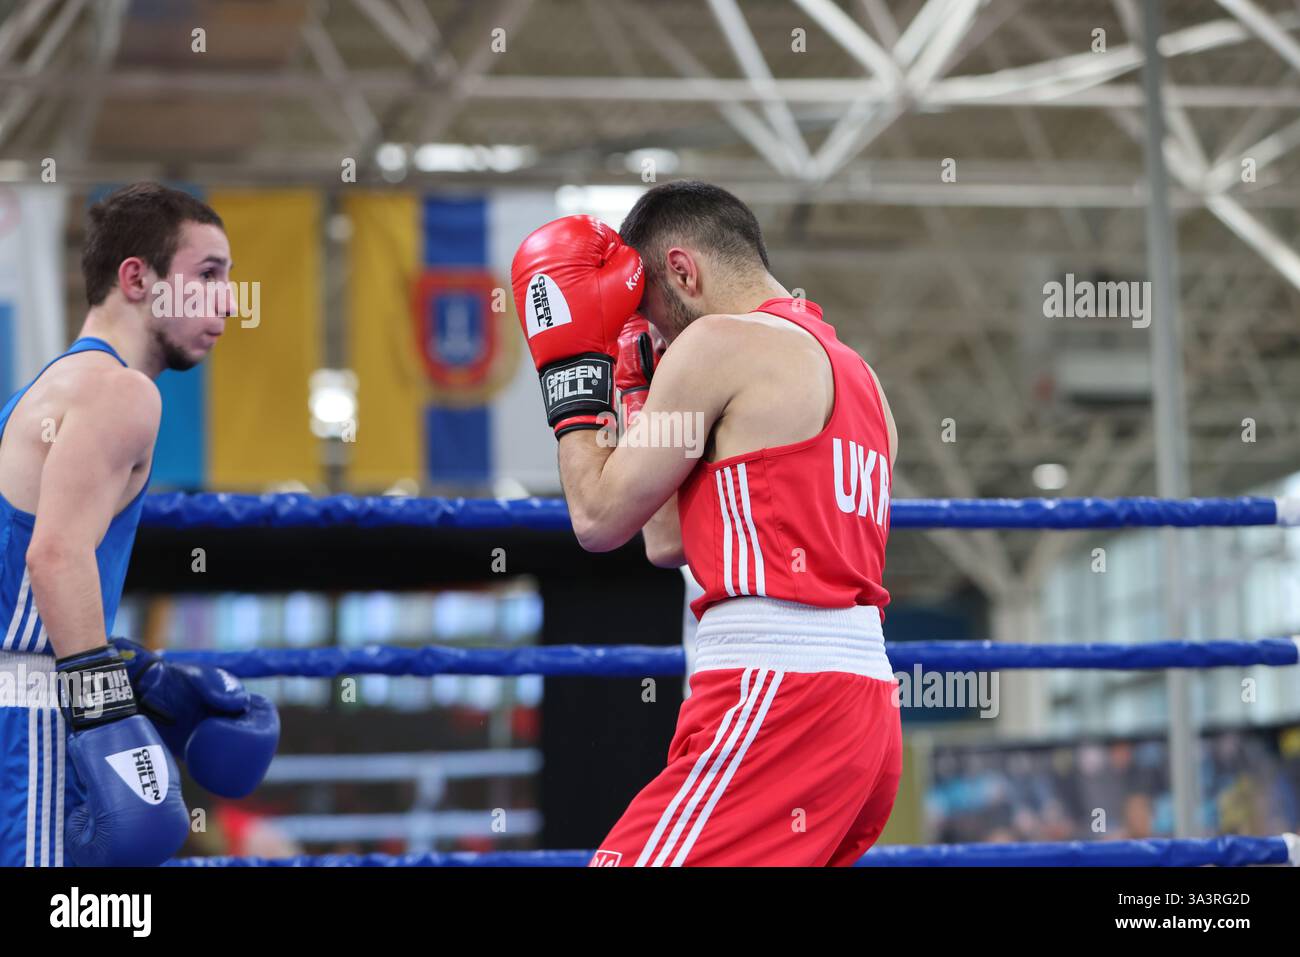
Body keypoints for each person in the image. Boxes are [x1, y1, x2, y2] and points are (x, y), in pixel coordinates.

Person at [510, 180, 901, 866]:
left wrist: (572, 373)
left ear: (683, 271)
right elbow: (665, 541)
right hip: (863, 709)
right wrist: (635, 388)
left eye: (651, 312)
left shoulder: (718, 342)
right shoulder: (863, 378)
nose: (653, 334)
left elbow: (598, 518)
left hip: (776, 693)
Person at [0, 182, 278, 867]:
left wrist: (130, 674)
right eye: (207, 275)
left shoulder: (44, 390)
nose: (226, 301)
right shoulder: (123, 392)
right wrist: (107, 712)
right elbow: (55, 556)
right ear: (136, 277)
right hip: (27, 713)